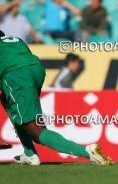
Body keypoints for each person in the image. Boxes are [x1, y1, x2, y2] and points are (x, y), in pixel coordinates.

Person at [0, 31, 111, 165]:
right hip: (36, 69)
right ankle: (29, 153)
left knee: (36, 131)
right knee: (12, 106)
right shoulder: (15, 39)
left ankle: (87, 151)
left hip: (16, 74)